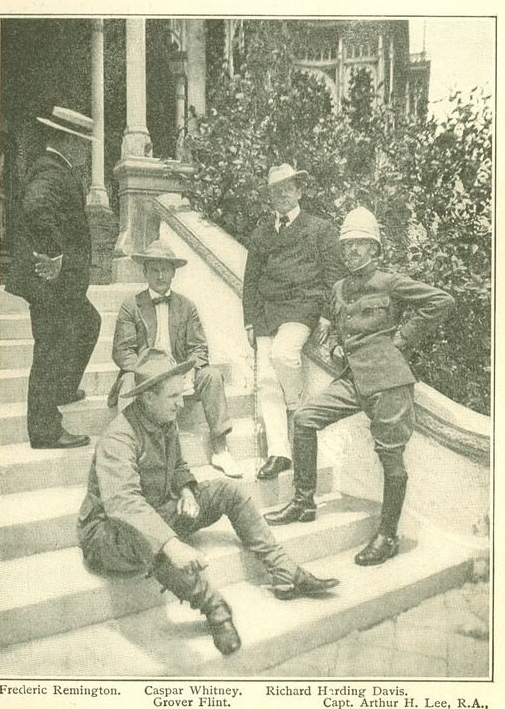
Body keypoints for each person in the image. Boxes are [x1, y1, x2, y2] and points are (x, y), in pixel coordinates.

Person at [78, 348, 339, 655]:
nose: (181, 403)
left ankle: (285, 572)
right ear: (148, 397)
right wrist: (171, 543)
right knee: (150, 538)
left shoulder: (163, 418)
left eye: (180, 394)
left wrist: (187, 490)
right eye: (173, 396)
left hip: (161, 509)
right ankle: (216, 608)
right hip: (110, 532)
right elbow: (122, 504)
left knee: (231, 491)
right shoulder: (119, 438)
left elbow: (177, 467)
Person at [265, 207, 455, 566]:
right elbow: (344, 325)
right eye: (347, 244)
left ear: (375, 250)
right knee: (304, 418)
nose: (351, 250)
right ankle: (304, 502)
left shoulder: (389, 282)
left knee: (390, 456)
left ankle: (387, 535)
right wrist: (337, 342)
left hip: (388, 381)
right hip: (353, 380)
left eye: (360, 245)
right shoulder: (339, 288)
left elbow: (441, 301)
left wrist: (402, 339)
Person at [5, 106, 101, 449]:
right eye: (83, 144)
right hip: (49, 283)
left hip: (59, 284)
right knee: (49, 349)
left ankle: (62, 388)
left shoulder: (55, 168)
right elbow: (35, 208)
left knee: (88, 322)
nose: (86, 151)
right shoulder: (50, 171)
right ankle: (45, 430)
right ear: (67, 141)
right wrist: (55, 254)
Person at [242, 163, 346, 480]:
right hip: (267, 310)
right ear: (270, 196)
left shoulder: (320, 229)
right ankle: (279, 453)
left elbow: (335, 277)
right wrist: (250, 321)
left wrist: (328, 316)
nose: (283, 193)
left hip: (304, 307)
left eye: (288, 187)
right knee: (265, 382)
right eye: (276, 189)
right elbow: (250, 281)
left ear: (299, 191)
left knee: (283, 355)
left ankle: (295, 405)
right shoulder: (262, 233)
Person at [108, 239, 241, 478]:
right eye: (155, 270)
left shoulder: (186, 306)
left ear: (173, 273)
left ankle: (220, 448)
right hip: (143, 375)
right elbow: (122, 351)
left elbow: (199, 347)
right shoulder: (131, 306)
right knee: (128, 382)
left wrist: (190, 370)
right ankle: (128, 453)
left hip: (178, 373)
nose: (160, 276)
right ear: (145, 272)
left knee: (211, 375)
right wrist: (145, 373)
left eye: (165, 270)